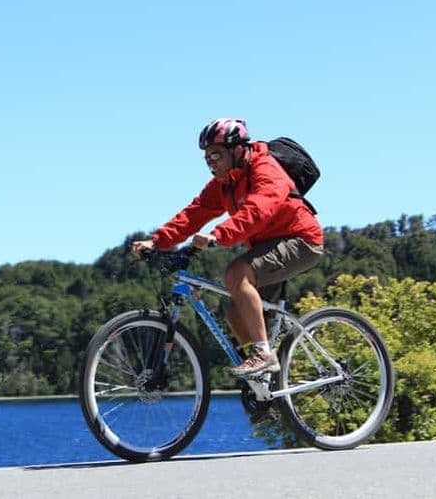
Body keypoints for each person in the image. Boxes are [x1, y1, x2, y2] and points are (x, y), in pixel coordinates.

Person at [131, 118, 324, 376]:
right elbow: (194, 213)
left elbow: (257, 210)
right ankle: (264, 382)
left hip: (301, 240)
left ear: (237, 149)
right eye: (207, 158)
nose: (211, 162)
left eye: (216, 154)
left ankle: (263, 355)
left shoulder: (266, 168)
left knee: (236, 273)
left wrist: (217, 235)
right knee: (236, 314)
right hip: (266, 244)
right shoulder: (225, 183)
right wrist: (156, 241)